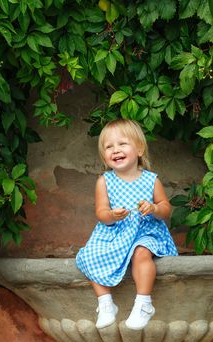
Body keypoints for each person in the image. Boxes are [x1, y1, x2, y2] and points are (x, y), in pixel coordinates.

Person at [76, 119, 178, 330]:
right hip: (116, 231)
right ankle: (105, 304)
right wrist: (112, 215)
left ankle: (143, 304)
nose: (115, 150)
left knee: (141, 252)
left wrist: (154, 208)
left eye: (122, 144)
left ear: (139, 148)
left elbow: (166, 209)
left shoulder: (151, 180)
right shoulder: (104, 181)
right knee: (88, 254)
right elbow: (101, 212)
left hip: (146, 231)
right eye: (109, 146)